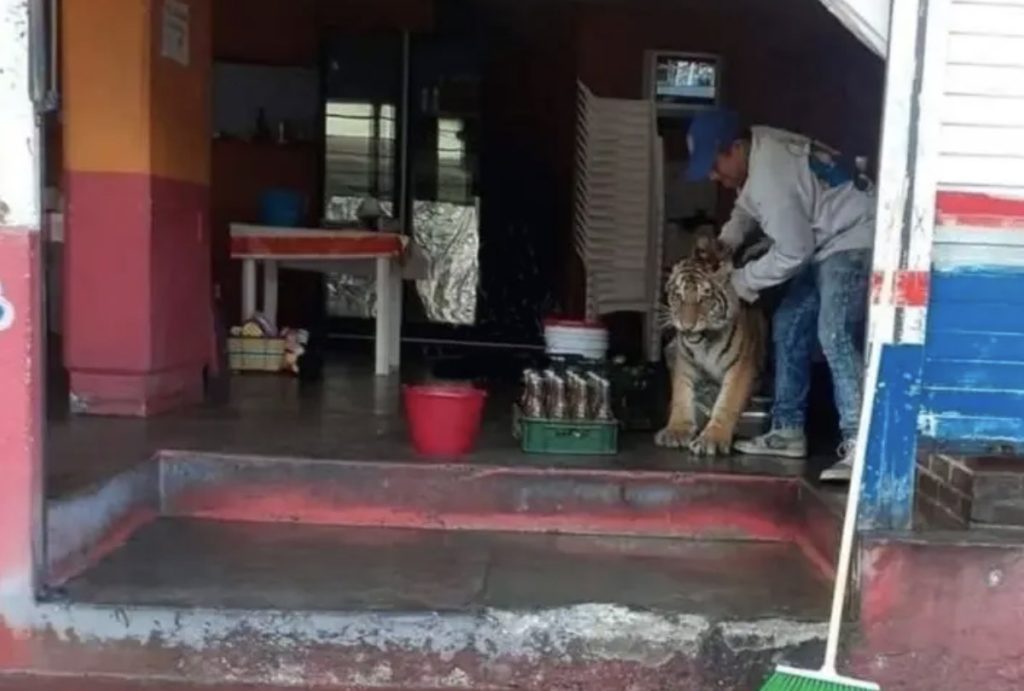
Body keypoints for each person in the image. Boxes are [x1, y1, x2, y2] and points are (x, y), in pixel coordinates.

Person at [684, 109, 875, 482]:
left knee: (832, 331)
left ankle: (861, 445)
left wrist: (740, 283)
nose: (712, 175)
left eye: (715, 163)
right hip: (824, 240)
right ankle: (787, 430)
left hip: (852, 237)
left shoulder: (771, 176)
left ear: (735, 148)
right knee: (789, 324)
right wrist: (727, 241)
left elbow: (792, 250)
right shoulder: (759, 146)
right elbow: (746, 206)